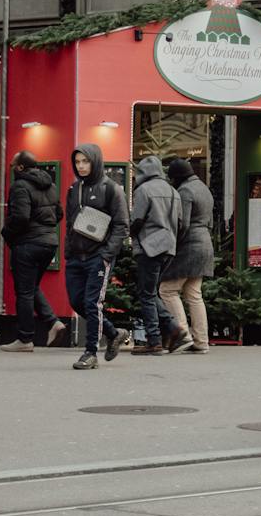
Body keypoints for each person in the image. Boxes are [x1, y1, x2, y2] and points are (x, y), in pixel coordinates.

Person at [63, 144, 127, 370]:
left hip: (98, 257)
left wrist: (106, 255)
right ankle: (113, 333)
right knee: (76, 301)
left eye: (85, 161)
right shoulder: (74, 189)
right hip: (75, 257)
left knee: (92, 302)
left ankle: (90, 353)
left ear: (95, 161)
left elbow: (121, 226)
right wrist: (68, 253)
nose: (81, 166)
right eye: (78, 162)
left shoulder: (111, 189)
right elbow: (70, 224)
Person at [1, 150, 65, 352]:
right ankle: (53, 322)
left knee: (25, 292)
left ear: (20, 167)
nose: (12, 169)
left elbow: (20, 217)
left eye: (13, 166)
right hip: (49, 242)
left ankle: (25, 339)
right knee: (32, 287)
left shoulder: (20, 185)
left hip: (28, 243)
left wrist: (7, 233)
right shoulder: (51, 185)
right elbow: (59, 214)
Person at [129, 153, 188, 355]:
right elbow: (182, 224)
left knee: (146, 294)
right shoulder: (173, 191)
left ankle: (154, 340)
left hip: (149, 246)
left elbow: (136, 220)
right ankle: (173, 329)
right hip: (169, 247)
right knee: (151, 291)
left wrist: (131, 234)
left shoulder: (143, 190)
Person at [159, 157, 214, 353]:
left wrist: (171, 245)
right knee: (194, 294)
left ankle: (182, 334)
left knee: (167, 289)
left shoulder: (185, 191)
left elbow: (183, 223)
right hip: (206, 242)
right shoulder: (203, 188)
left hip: (190, 245)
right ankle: (202, 341)